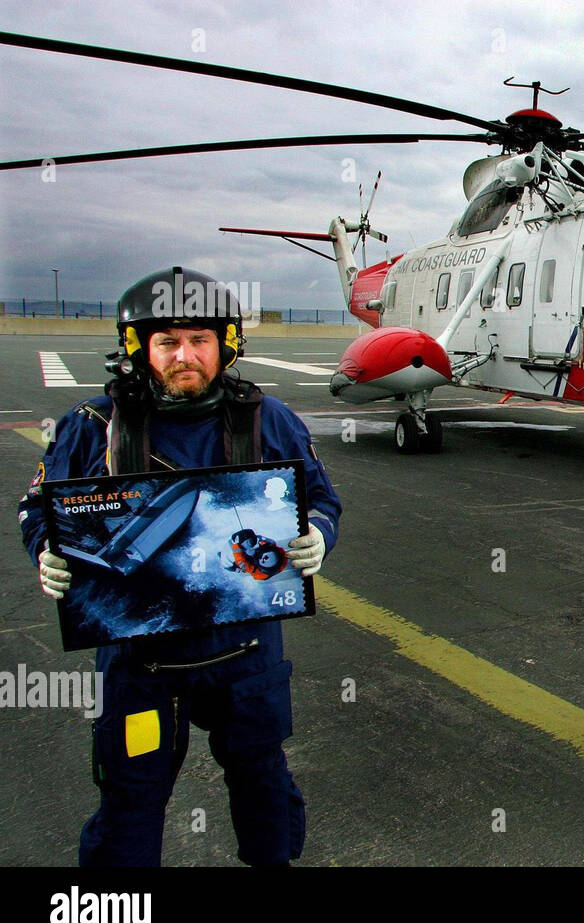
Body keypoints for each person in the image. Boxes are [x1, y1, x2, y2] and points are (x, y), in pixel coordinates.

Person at [18, 266, 342, 867]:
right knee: (129, 801)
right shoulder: (92, 426)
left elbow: (321, 499)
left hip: (244, 654)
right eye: (167, 341)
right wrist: (44, 548)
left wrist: (318, 536)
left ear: (226, 345)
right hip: (140, 661)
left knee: (263, 786)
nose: (184, 355)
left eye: (199, 339)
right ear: (140, 350)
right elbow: (37, 505)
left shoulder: (267, 420)